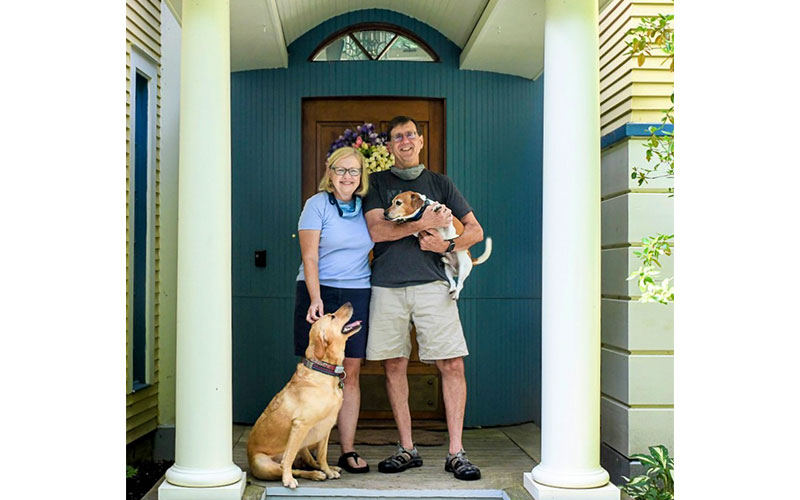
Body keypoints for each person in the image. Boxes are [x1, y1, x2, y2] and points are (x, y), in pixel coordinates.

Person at [362, 116, 484, 480]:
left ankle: (456, 452)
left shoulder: (440, 184)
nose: (405, 141)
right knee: (393, 365)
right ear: (389, 146)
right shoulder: (378, 183)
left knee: (451, 365)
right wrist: (420, 223)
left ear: (420, 141)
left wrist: (445, 243)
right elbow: (377, 230)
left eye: (410, 134)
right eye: (397, 137)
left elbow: (475, 231)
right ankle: (407, 448)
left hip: (434, 285)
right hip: (386, 286)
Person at [293, 146, 374, 474]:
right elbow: (309, 256)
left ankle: (347, 450)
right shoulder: (316, 205)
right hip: (319, 291)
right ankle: (303, 450)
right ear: (330, 172)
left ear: (361, 176)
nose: (347, 177)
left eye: (353, 171)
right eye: (341, 170)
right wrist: (316, 298)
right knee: (313, 375)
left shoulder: (367, 207)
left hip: (357, 293)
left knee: (349, 373)